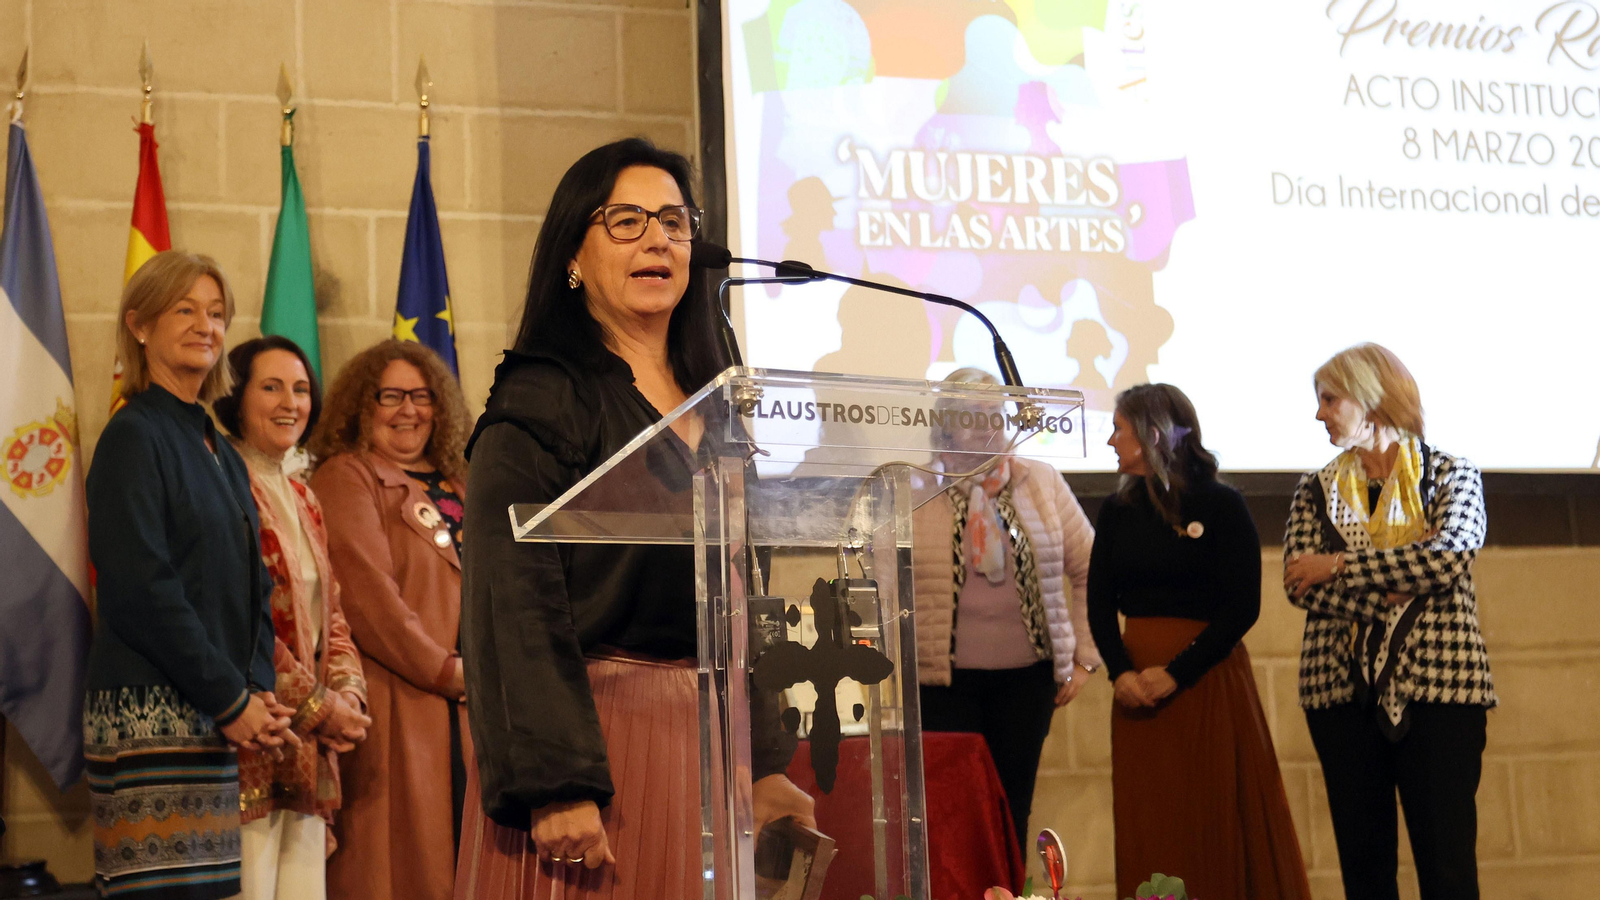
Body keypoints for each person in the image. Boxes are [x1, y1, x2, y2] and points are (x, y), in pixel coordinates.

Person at [455, 137, 814, 899]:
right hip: (600, 745)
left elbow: (745, 589)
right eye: (626, 220)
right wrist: (556, 781)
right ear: (573, 255)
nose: (657, 238)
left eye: (675, 222)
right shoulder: (542, 398)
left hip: (711, 742)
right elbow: (511, 598)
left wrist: (769, 756)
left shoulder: (716, 396)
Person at [84, 251, 297, 900]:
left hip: (207, 713)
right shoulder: (134, 435)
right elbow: (141, 588)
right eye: (185, 309)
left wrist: (256, 687)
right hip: (149, 716)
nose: (206, 324)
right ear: (139, 325)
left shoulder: (212, 444)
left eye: (216, 312)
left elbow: (255, 584)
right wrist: (231, 698)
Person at [1283, 343, 1494, 900]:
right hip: (1340, 694)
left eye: (1330, 399)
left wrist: (1340, 565)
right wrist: (1399, 587)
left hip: (1441, 691)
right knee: (1365, 870)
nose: (1319, 413)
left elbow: (1447, 558)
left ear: (1372, 400)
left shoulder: (1453, 474)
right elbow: (1299, 586)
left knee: (1447, 868)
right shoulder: (1315, 489)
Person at [1086, 383, 1310, 900]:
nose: (1110, 442)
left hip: (1205, 681)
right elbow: (1099, 603)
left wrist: (1177, 673)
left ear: (1151, 434)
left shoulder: (1222, 504)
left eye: (1118, 429)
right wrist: (1120, 673)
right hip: (1138, 689)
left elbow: (1242, 607)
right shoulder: (1118, 511)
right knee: (1150, 822)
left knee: (1211, 819)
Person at [308, 340, 472, 900]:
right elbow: (367, 597)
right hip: (402, 700)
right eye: (391, 396)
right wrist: (444, 670)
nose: (409, 409)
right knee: (403, 871)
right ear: (361, 405)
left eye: (422, 396)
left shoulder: (463, 480)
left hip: (476, 708)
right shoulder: (347, 475)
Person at [911, 366, 1099, 850]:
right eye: (973, 416)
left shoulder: (1040, 481)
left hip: (1027, 683)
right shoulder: (913, 489)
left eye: (996, 415)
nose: (989, 426)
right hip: (941, 687)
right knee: (952, 815)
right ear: (945, 423)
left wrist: (1083, 659)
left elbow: (1090, 569)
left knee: (1011, 811)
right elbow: (879, 579)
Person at [214, 336, 373, 900]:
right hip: (250, 736)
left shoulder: (304, 495)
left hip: (306, 747)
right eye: (272, 387)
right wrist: (319, 708)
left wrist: (349, 693)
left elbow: (331, 613)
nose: (291, 403)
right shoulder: (224, 485)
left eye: (302, 389)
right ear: (236, 397)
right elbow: (238, 620)